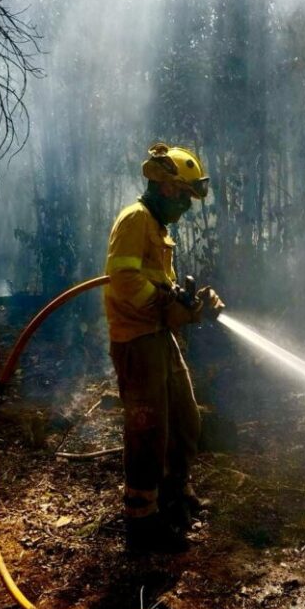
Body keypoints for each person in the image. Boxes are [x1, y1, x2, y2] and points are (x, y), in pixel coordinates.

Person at [104, 142, 224, 554]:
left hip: (158, 336)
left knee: (185, 419)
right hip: (136, 340)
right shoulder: (135, 219)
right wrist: (164, 305)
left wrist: (189, 303)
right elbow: (122, 280)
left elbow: (156, 281)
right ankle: (142, 521)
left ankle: (175, 496)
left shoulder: (157, 228)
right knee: (147, 429)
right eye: (185, 198)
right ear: (167, 188)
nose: (187, 208)